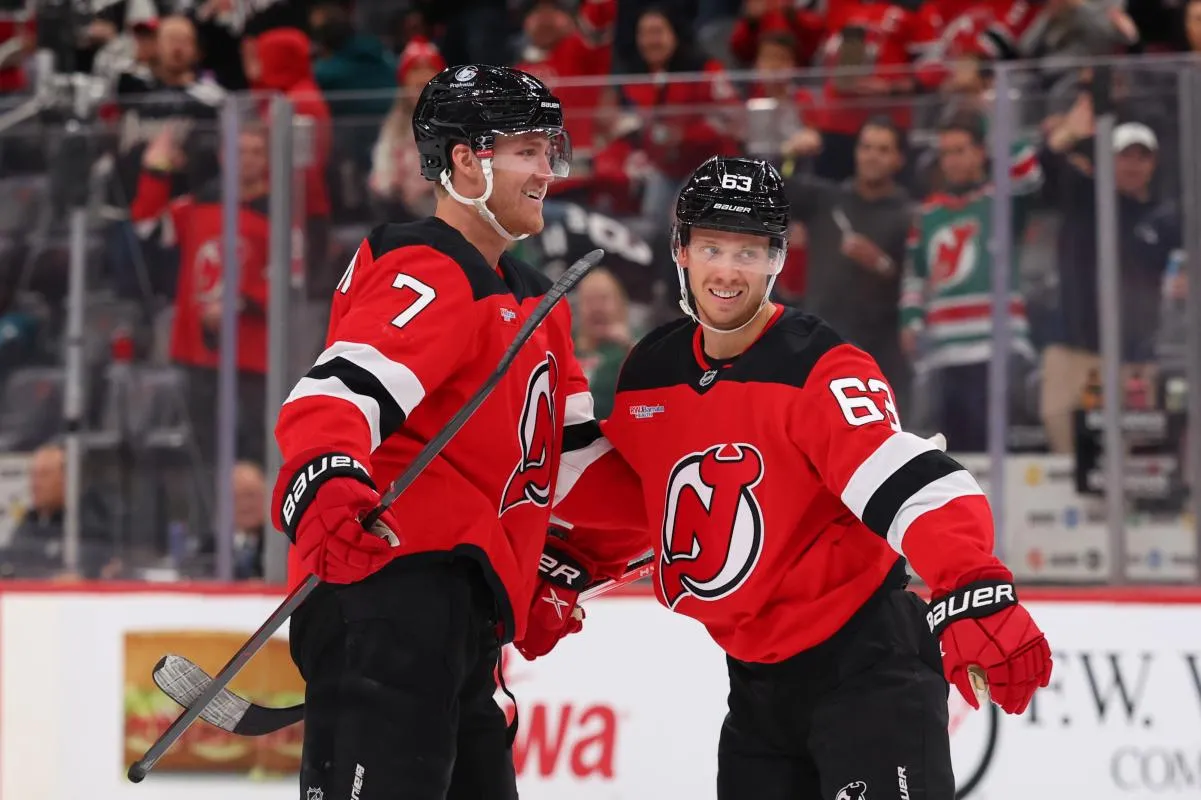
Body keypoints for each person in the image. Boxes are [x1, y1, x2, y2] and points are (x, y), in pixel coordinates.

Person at [523, 156, 1054, 799]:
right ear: (681, 250)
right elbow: (654, 498)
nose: (726, 271)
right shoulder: (651, 371)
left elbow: (903, 478)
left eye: (748, 252)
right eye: (712, 247)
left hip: (867, 671)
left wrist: (972, 582)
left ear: (778, 259)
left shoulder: (820, 364)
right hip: (755, 691)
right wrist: (570, 565)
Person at [270, 65, 645, 800]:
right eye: (528, 151)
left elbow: (568, 464)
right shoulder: (429, 266)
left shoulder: (536, 300)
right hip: (386, 589)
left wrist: (606, 543)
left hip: (462, 610)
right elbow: (335, 394)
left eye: (550, 151)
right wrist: (325, 485)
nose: (547, 170)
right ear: (468, 161)